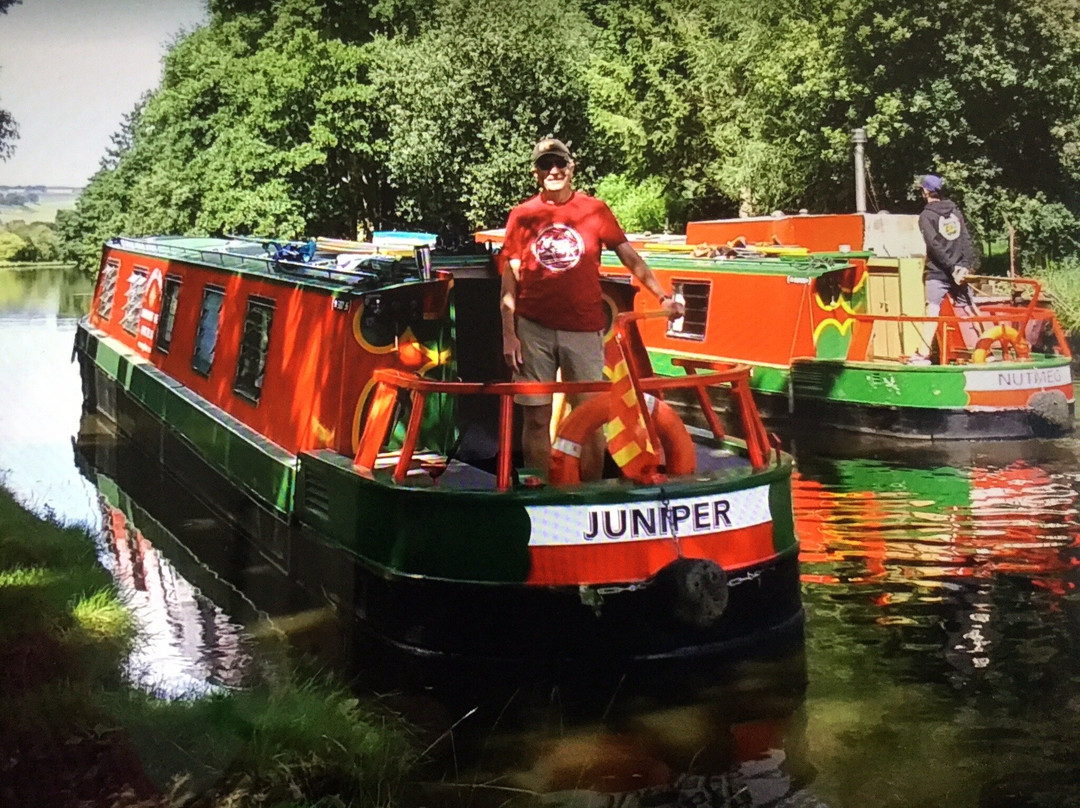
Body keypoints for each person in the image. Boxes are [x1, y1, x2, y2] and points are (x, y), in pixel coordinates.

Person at [500, 137, 684, 477]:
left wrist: (662, 296)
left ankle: (589, 492)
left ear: (572, 167)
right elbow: (510, 278)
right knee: (537, 418)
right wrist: (509, 334)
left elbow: (630, 257)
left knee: (590, 418)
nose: (553, 170)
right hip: (532, 328)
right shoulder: (522, 215)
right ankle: (539, 492)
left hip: (584, 329)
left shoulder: (595, 210)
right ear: (536, 173)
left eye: (559, 163)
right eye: (545, 164)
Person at [910, 173, 981, 365]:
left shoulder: (926, 216)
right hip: (958, 272)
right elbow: (965, 240)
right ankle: (985, 353)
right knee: (967, 310)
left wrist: (952, 268)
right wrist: (964, 266)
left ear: (925, 191)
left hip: (939, 273)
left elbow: (934, 245)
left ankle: (922, 354)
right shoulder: (956, 212)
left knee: (931, 311)